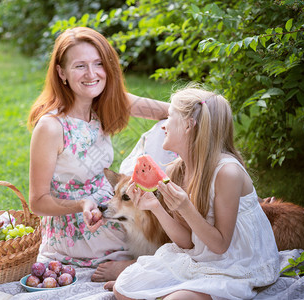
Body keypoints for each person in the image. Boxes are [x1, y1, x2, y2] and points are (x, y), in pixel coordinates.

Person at [106, 83, 280, 299]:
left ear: (188, 126)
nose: (163, 126)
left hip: (235, 264)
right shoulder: (176, 170)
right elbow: (187, 242)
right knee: (122, 290)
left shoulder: (228, 172)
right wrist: (155, 207)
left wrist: (185, 207)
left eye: (169, 118)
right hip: (201, 255)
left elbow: (220, 245)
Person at [27, 27, 169, 280]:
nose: (92, 74)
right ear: (62, 73)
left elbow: (170, 113)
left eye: (98, 64)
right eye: (80, 66)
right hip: (81, 222)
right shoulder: (51, 127)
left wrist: (207, 103)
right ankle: (131, 265)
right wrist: (82, 203)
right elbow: (37, 202)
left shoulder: (104, 101)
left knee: (164, 133)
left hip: (110, 200)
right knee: (173, 238)